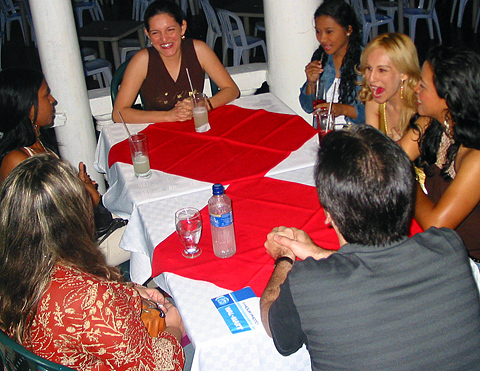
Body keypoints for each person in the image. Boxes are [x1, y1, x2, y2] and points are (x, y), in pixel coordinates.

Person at [260, 125, 480, 370]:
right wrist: (317, 253)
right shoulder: (448, 247)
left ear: (328, 214)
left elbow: (276, 329)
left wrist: (284, 259)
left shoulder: (309, 283)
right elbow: (380, 265)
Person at [0, 154, 186, 370]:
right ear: (73, 218)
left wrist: (132, 292)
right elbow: (157, 367)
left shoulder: (14, 266)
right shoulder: (91, 298)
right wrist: (175, 328)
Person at [0, 67, 129, 266]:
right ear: (30, 108)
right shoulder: (17, 161)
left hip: (77, 239)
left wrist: (75, 188)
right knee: (148, 234)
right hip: (61, 259)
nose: (53, 100)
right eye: (46, 95)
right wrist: (87, 199)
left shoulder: (38, 145)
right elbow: (43, 230)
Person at [399, 45, 480, 261]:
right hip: (435, 250)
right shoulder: (431, 122)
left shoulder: (475, 158)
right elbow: (393, 156)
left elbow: (436, 225)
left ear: (448, 98)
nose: (415, 88)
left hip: (468, 266)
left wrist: (406, 177)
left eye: (422, 86)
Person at [112, 0, 239, 124]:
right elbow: (118, 113)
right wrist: (169, 116)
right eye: (156, 33)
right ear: (148, 34)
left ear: (182, 28)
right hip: (158, 131)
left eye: (170, 30)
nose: (164, 38)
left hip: (197, 127)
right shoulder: (142, 60)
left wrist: (204, 104)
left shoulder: (199, 50)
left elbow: (232, 89)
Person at [299, 0, 364, 129]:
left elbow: (375, 114)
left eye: (329, 32)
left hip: (357, 140)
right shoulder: (321, 58)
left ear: (348, 30)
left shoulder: (366, 63)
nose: (322, 39)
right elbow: (307, 107)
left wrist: (342, 109)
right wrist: (311, 82)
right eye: (318, 31)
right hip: (325, 136)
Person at [358, 32, 421, 141]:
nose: (371, 78)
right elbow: (371, 149)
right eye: (369, 68)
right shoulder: (374, 101)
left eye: (382, 70)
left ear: (404, 73)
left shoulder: (420, 108)